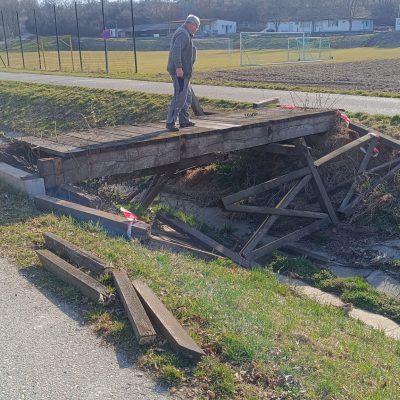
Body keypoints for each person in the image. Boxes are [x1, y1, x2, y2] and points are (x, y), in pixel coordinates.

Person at [166, 14, 200, 132]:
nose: (197, 29)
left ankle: (184, 120)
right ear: (191, 24)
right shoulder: (183, 34)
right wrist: (179, 67)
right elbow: (176, 51)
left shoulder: (185, 33)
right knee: (179, 97)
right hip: (180, 72)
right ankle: (170, 122)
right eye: (197, 26)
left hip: (185, 72)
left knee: (187, 96)